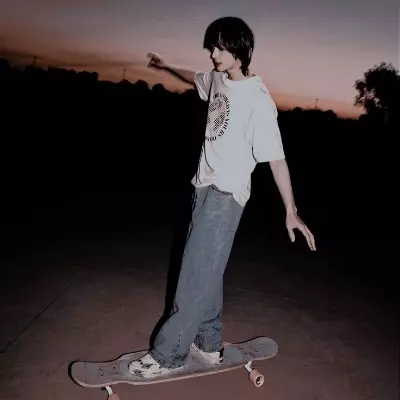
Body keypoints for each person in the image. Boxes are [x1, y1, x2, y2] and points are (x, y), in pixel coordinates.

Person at [128, 16, 316, 378]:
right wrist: (165, 66)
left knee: (195, 274)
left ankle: (168, 354)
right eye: (211, 47)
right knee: (208, 269)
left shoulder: (257, 100)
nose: (213, 54)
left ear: (240, 51)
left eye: (220, 48)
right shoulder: (217, 77)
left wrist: (291, 210)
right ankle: (209, 342)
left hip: (226, 194)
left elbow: (276, 158)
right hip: (202, 186)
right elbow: (194, 78)